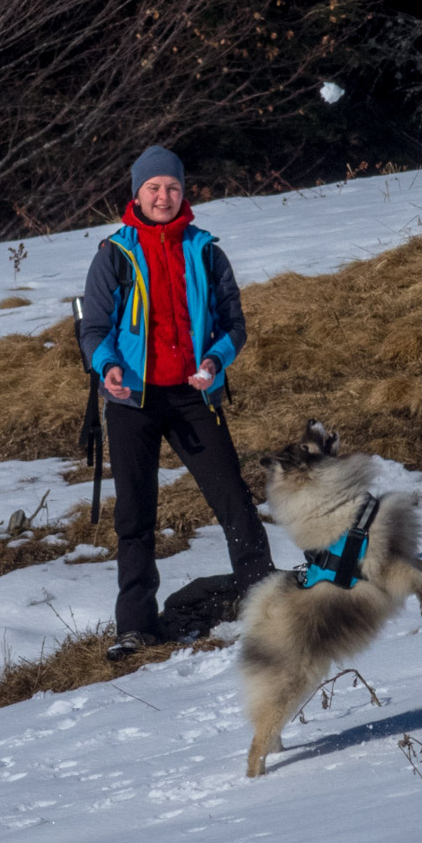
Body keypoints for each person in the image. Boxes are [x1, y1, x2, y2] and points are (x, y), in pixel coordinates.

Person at [77, 145, 275, 660]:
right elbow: (94, 328)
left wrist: (214, 362)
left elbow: (234, 325)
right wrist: (109, 367)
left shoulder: (206, 250)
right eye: (153, 188)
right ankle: (136, 627)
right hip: (131, 401)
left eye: (172, 187)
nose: (163, 196)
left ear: (184, 192)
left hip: (193, 394)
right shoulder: (113, 254)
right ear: (136, 193)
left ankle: (263, 599)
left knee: (232, 496)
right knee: (136, 515)